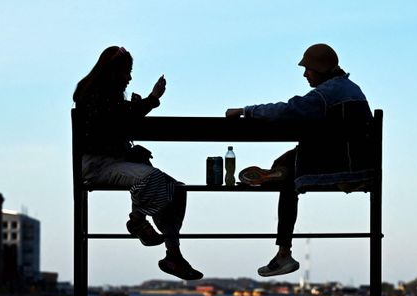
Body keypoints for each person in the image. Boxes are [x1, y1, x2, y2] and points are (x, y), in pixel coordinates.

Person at [226, 43, 373, 277]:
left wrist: (246, 110)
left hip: (341, 168)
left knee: (288, 181)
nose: (305, 74)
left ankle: (284, 253)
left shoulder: (326, 94)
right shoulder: (351, 89)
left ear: (321, 69)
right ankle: (279, 172)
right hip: (360, 164)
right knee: (285, 161)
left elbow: (287, 110)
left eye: (309, 69)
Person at [73, 45, 202, 280]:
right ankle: (137, 221)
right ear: (114, 72)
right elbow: (114, 123)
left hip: (111, 162)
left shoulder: (101, 96)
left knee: (178, 189)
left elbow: (117, 120)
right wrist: (152, 100)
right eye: (127, 72)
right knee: (151, 177)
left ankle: (173, 253)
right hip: (96, 167)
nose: (130, 77)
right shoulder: (94, 96)